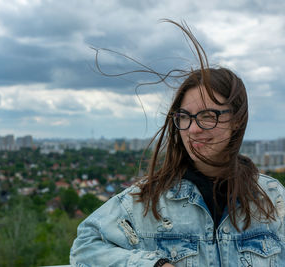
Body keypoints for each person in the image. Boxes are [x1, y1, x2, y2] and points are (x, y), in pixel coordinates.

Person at [70, 21, 285, 267]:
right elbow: (85, 247)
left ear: (236, 120)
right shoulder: (148, 202)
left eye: (207, 116)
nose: (193, 129)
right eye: (185, 117)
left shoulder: (271, 199)